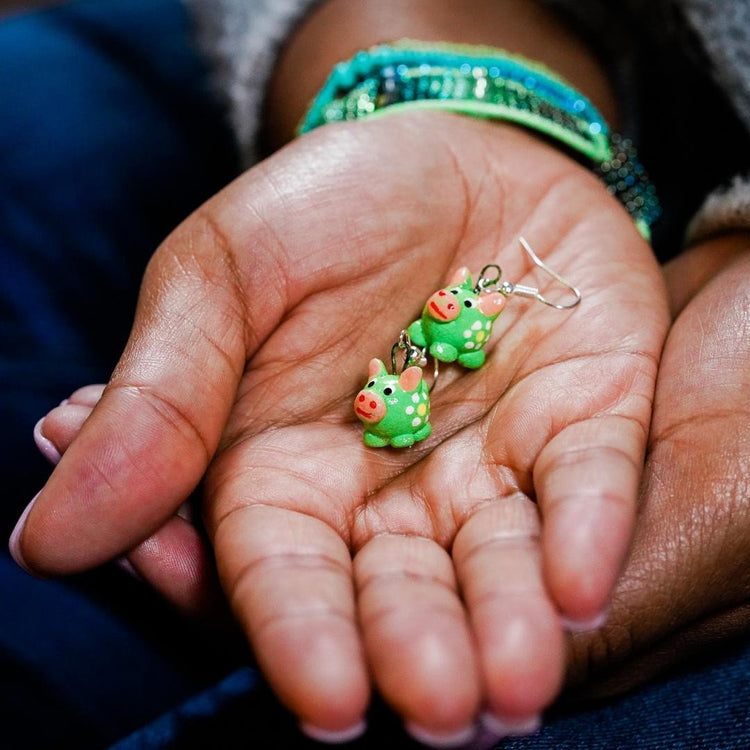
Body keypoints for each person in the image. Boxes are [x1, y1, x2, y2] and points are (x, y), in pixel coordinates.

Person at [4, 0, 749, 747]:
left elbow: (446, 348)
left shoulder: (448, 347)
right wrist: (428, 87)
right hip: (531, 46)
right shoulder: (421, 347)